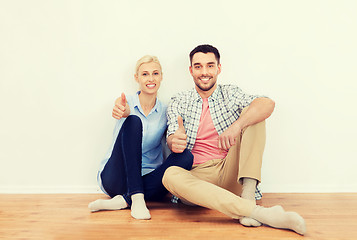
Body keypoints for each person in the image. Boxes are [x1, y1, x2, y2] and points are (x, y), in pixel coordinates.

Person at [162, 44, 306, 235]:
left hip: (229, 170)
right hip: (198, 178)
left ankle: (248, 196)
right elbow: (172, 135)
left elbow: (267, 104)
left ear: (218, 68)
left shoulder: (229, 93)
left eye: (210, 66)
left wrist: (236, 126)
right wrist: (174, 141)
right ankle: (258, 212)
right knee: (169, 175)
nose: (204, 72)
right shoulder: (178, 101)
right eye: (198, 66)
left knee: (254, 113)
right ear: (191, 70)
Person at [88, 55, 193, 220]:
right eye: (145, 74)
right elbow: (122, 107)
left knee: (186, 157)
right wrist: (123, 111)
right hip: (116, 178)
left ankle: (124, 200)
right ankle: (136, 198)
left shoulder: (166, 111)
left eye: (155, 73)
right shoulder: (126, 101)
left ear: (161, 77)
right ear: (136, 78)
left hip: (148, 179)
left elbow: (172, 139)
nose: (150, 78)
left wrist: (177, 139)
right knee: (134, 121)